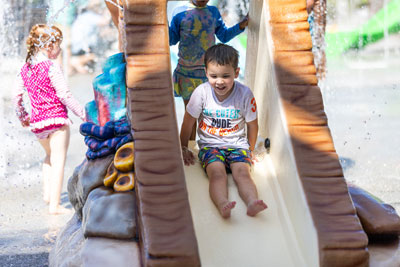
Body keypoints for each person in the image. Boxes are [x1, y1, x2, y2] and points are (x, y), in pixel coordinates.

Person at [180, 44, 267, 218]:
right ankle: (222, 204)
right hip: (210, 146)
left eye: (226, 76)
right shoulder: (201, 93)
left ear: (236, 72)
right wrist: (183, 147)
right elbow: (188, 121)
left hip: (237, 145)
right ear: (206, 72)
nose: (219, 81)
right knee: (217, 174)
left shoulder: (244, 94)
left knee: (243, 173)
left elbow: (252, 125)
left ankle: (251, 202)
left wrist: (249, 150)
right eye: (214, 76)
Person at [14, 24, 86, 214]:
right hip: (56, 121)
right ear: (48, 46)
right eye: (58, 45)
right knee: (59, 161)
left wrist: (22, 116)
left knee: (48, 157)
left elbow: (16, 96)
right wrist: (84, 114)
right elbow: (64, 95)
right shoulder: (52, 67)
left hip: (37, 124)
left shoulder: (25, 68)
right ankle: (55, 206)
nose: (60, 49)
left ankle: (48, 196)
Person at [169, 0, 249, 140]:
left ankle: (207, 149)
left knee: (207, 116)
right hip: (186, 75)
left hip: (207, 76)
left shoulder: (212, 13)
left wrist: (241, 25)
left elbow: (223, 36)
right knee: (191, 116)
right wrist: (161, 25)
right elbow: (171, 40)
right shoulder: (179, 13)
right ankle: (189, 149)